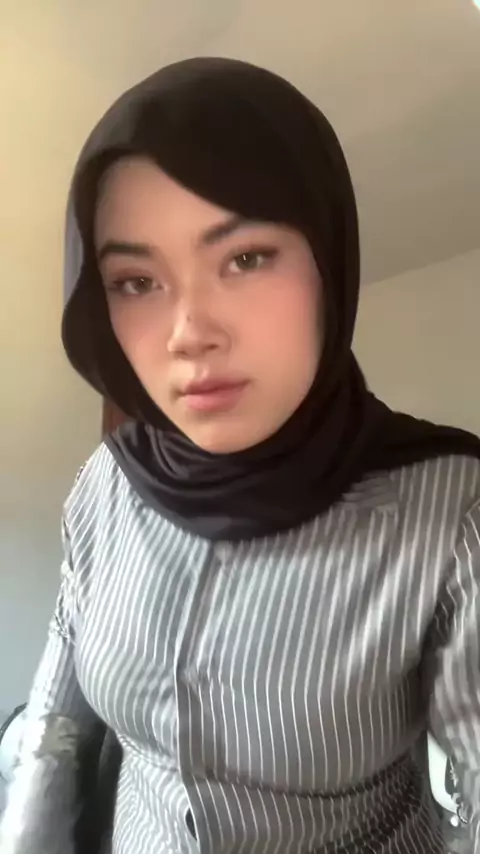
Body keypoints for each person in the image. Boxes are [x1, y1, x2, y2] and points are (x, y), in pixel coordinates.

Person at [1, 57, 480, 854]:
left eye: (246, 258)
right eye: (135, 281)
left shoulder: (451, 516)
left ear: (328, 261)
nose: (190, 333)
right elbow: (58, 720)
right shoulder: (106, 485)